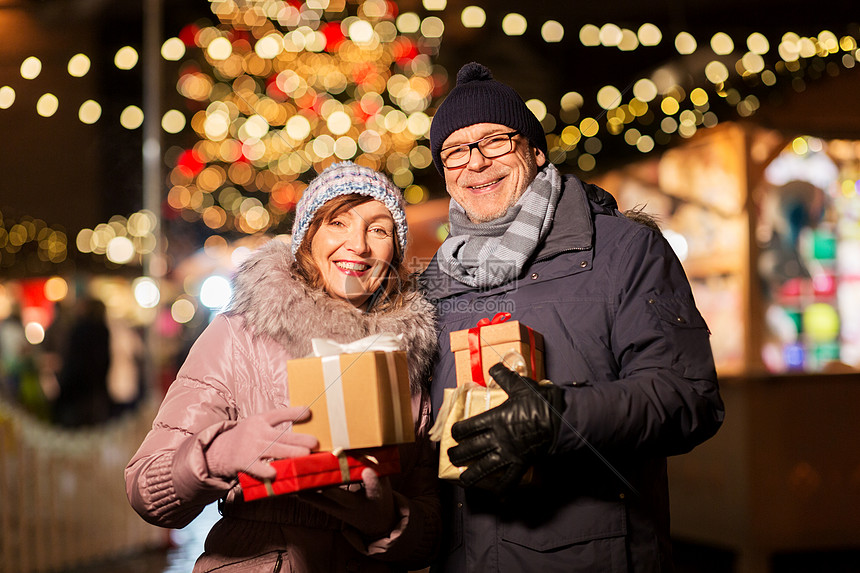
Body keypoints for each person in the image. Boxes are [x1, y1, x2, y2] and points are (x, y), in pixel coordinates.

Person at [421, 62, 725, 572]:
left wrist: (558, 418)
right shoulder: (436, 280)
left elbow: (688, 396)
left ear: (535, 152)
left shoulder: (624, 251)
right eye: (454, 150)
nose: (475, 163)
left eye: (495, 141)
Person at [126, 162, 440, 572]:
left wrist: (387, 521)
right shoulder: (240, 335)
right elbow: (146, 492)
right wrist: (215, 454)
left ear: (395, 249)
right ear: (308, 237)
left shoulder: (409, 356)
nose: (358, 245)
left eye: (378, 230)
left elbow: (434, 528)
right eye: (338, 223)